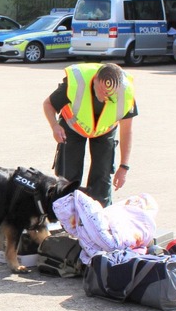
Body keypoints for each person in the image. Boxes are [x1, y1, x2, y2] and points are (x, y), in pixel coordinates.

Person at [42, 62, 137, 207]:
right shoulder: (76, 83)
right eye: (103, 91)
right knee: (68, 177)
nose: (106, 97)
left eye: (111, 95)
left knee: (102, 176)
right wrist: (54, 126)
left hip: (104, 130)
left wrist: (123, 167)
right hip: (73, 127)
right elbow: (48, 104)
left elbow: (127, 130)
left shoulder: (126, 93)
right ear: (95, 80)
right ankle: (66, 215)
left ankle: (98, 216)